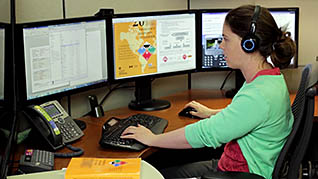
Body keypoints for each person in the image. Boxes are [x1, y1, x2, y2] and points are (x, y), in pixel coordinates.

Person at [121, 4, 296, 179]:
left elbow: (205, 134)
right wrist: (212, 113)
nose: (221, 46)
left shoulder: (259, 94)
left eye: (225, 39)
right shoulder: (270, 78)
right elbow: (245, 115)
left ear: (248, 44)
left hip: (240, 173)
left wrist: (152, 139)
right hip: (237, 165)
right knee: (165, 170)